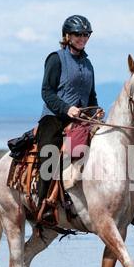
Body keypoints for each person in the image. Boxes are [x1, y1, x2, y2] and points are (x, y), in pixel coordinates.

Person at [37, 15, 105, 224]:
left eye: (86, 34)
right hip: (55, 117)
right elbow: (46, 92)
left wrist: (96, 112)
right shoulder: (56, 59)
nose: (82, 38)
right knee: (48, 151)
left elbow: (90, 95)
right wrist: (67, 108)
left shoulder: (88, 64)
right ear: (67, 36)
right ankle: (44, 204)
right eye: (78, 34)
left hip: (82, 119)